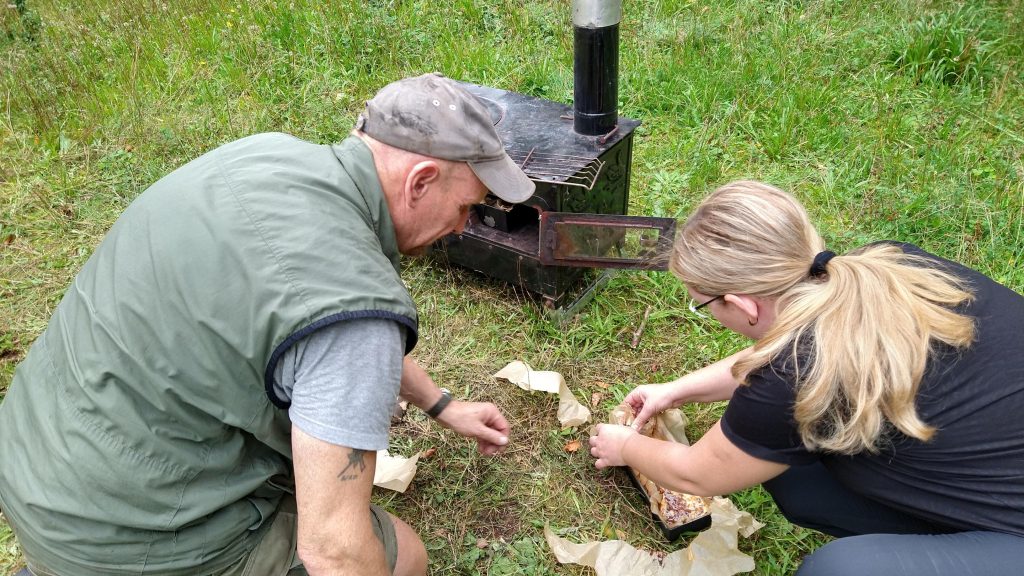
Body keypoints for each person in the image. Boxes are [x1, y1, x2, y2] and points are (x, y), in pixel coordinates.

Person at [0, 73, 535, 576]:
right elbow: (334, 552)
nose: (465, 225)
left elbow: (321, 324)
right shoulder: (355, 309)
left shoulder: (264, 157)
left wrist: (442, 405)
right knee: (406, 555)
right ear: (420, 182)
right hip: (117, 537)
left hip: (32, 462)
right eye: (468, 206)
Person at [589, 180, 1024, 575]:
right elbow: (789, 357)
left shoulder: (794, 372)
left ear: (742, 307)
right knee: (790, 474)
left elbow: (695, 475)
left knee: (839, 570)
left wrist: (625, 445)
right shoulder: (887, 265)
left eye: (704, 304)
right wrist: (677, 391)